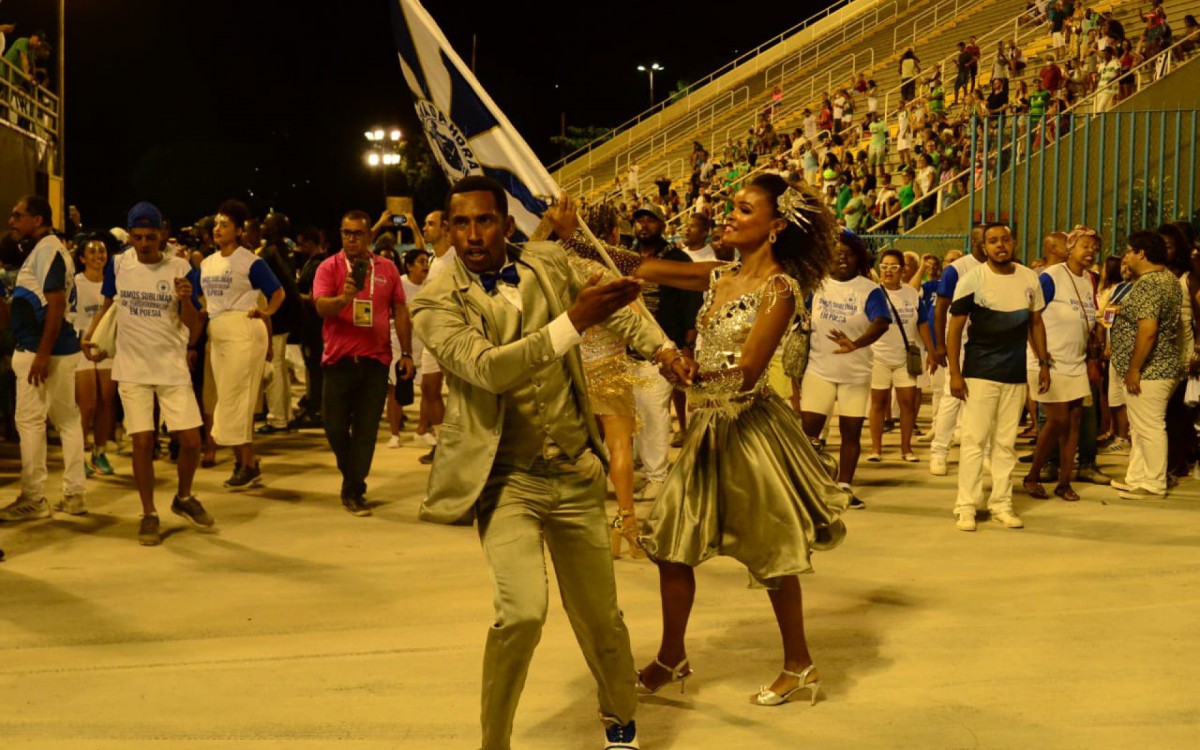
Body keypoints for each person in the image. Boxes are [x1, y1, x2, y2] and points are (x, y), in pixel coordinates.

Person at [555, 175, 849, 709]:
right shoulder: (719, 276)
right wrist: (574, 237)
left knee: (771, 554)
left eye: (742, 209)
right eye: (730, 208)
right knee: (670, 543)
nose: (728, 217)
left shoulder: (779, 288)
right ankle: (672, 657)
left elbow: (752, 370)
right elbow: (638, 266)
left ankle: (799, 663)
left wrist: (685, 374)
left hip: (751, 431)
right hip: (708, 429)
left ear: (776, 226)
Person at [411, 176, 685, 750]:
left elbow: (615, 306)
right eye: (459, 223)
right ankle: (495, 742)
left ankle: (621, 724)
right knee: (521, 615)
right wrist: (572, 323)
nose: (471, 234)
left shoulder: (548, 261)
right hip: (506, 480)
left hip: (575, 471)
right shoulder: (435, 303)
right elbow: (488, 368)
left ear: (506, 225)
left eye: (483, 220)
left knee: (601, 618)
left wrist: (660, 349)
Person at [81, 203, 211, 546]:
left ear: (162, 234)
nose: (143, 243)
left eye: (150, 236)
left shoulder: (182, 268)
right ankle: (149, 513)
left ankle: (183, 497)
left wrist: (186, 300)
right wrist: (92, 334)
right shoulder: (119, 264)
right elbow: (109, 305)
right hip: (132, 367)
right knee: (141, 440)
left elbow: (194, 328)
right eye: (136, 237)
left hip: (170, 366)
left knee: (191, 441)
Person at [947, 223, 1051, 531]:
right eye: (993, 241)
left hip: (1015, 373)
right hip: (979, 373)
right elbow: (955, 329)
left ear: (1014, 242)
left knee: (1006, 444)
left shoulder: (1029, 278)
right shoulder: (972, 279)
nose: (1000, 245)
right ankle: (966, 505)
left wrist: (1044, 363)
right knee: (974, 440)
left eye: (1005, 239)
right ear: (983, 248)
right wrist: (955, 372)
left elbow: (1036, 324)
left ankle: (1002, 504)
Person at [313, 210, 414, 516]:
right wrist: (342, 300)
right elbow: (320, 307)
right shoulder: (328, 268)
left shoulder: (387, 269)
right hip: (339, 360)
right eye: (346, 233)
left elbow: (400, 311)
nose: (352, 239)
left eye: (358, 233)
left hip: (376, 361)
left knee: (367, 431)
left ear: (369, 235)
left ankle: (354, 490)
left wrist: (406, 353)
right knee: (333, 427)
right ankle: (353, 477)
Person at [0, 195, 88, 522]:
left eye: (17, 215)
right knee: (68, 421)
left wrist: (41, 353)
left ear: (37, 219)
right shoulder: (47, 250)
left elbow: (56, 304)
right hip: (56, 351)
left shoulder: (48, 250)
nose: (12, 221)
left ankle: (33, 498)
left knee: (31, 423)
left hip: (43, 352)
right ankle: (74, 494)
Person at [198, 199, 284, 489]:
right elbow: (201, 300)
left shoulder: (250, 261)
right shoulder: (208, 263)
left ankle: (246, 463)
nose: (218, 229)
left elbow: (278, 293)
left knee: (234, 399)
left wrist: (266, 313)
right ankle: (247, 462)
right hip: (218, 331)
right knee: (229, 399)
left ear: (238, 230)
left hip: (243, 330)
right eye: (216, 224)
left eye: (225, 224)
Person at [801, 230, 891, 507]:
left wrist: (856, 343)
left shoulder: (869, 289)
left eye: (848, 254)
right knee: (808, 434)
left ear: (858, 258)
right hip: (819, 370)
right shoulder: (816, 285)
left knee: (850, 433)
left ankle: (844, 487)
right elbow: (797, 315)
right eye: (837, 254)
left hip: (855, 374)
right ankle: (807, 486)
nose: (842, 259)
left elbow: (881, 322)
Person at [1022, 226, 1101, 502]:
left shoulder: (1090, 279)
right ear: (1070, 248)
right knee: (1057, 420)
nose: (1090, 251)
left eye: (1094, 247)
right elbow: (1031, 319)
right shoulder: (1051, 276)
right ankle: (1032, 475)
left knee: (1074, 423)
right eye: (1085, 246)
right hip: (1048, 362)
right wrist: (1042, 360)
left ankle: (1064, 482)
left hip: (1076, 362)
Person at [629, 204, 701, 501]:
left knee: (654, 413)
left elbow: (692, 299)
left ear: (663, 226)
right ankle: (640, 462)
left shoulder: (677, 259)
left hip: (663, 347)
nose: (643, 225)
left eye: (650, 220)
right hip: (627, 347)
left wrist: (687, 342)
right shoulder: (626, 256)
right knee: (634, 413)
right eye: (639, 220)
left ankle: (657, 476)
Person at [1109, 231, 1182, 499]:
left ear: (1141, 253)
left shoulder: (1150, 284)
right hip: (1159, 366)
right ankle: (1137, 477)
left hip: (1151, 369)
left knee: (1149, 427)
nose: (1125, 257)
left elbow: (1148, 330)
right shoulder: (1168, 279)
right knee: (1139, 427)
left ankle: (1153, 483)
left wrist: (1134, 368)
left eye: (1129, 251)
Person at [929, 227, 987, 475]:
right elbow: (941, 308)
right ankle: (939, 452)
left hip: (988, 344)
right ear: (974, 242)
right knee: (952, 397)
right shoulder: (957, 269)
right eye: (987, 240)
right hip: (959, 342)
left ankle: (982, 453)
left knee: (984, 400)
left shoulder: (1004, 268)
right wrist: (939, 344)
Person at [868, 249, 932, 462]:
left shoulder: (912, 294)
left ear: (903, 271)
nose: (888, 271)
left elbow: (922, 323)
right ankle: (876, 449)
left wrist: (932, 351)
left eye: (893, 267)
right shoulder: (873, 292)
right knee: (878, 403)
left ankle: (906, 448)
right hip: (878, 356)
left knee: (907, 403)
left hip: (905, 357)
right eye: (884, 267)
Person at [72, 232, 117, 477]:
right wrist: (82, 340)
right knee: (86, 405)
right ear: (82, 258)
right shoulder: (76, 282)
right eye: (92, 251)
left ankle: (99, 452)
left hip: (107, 347)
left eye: (101, 251)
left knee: (105, 403)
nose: (98, 255)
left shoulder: (112, 282)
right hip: (82, 347)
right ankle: (77, 455)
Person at [255, 212, 303, 435]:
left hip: (275, 315)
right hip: (287, 314)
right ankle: (286, 415)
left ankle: (277, 418)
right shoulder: (286, 249)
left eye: (266, 223)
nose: (262, 226)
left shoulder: (268, 253)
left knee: (274, 366)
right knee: (281, 366)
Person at [415, 209, 454, 464]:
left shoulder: (455, 258)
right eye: (424, 224)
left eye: (430, 224)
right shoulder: (434, 259)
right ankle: (441, 443)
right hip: (431, 338)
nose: (426, 228)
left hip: (451, 335)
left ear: (445, 228)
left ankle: (454, 446)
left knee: (457, 393)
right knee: (429, 389)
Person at [388, 249, 429, 448]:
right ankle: (394, 434)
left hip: (424, 344)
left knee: (429, 389)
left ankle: (424, 430)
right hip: (399, 344)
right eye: (421, 262)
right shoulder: (400, 284)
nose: (425, 265)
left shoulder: (432, 284)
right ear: (409, 266)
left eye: (426, 261)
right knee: (396, 389)